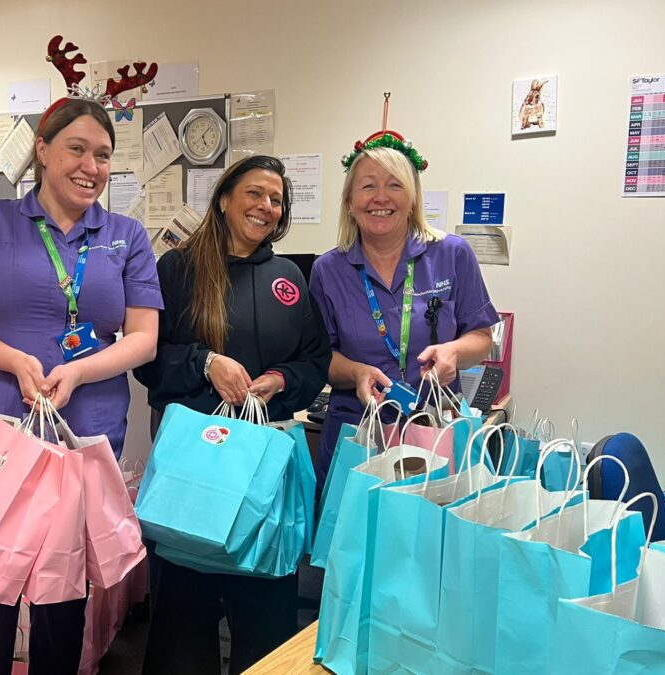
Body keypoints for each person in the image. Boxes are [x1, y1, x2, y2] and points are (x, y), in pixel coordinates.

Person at [0, 96, 162, 675]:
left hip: (83, 436)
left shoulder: (127, 236)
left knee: (63, 594)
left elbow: (143, 338)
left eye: (104, 155)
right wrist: (15, 360)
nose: (91, 166)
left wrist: (82, 369)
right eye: (77, 149)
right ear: (42, 150)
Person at [134, 155, 331, 675]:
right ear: (224, 198)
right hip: (194, 478)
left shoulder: (288, 276)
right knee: (182, 629)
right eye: (255, 194)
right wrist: (205, 363)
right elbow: (148, 362)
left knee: (265, 628)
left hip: (264, 478)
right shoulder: (176, 269)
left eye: (276, 199)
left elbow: (314, 360)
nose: (266, 206)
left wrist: (281, 381)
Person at [309, 129, 499, 491]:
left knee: (427, 538)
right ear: (350, 201)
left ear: (413, 199)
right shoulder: (327, 270)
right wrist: (357, 372)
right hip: (358, 430)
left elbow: (481, 338)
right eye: (367, 186)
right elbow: (322, 358)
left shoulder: (452, 254)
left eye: (395, 185)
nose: (381, 197)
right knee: (350, 539)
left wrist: (453, 352)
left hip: (435, 428)